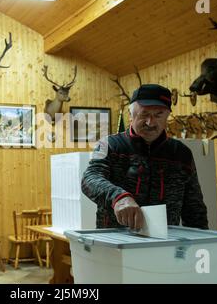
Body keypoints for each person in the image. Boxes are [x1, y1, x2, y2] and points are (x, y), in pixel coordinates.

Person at [81, 84, 208, 231]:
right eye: (144, 114)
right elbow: (90, 178)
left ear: (167, 116)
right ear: (130, 115)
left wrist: (201, 245)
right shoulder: (108, 144)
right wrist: (118, 197)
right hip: (115, 241)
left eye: (158, 115)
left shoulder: (181, 153)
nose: (151, 122)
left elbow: (194, 208)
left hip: (164, 244)